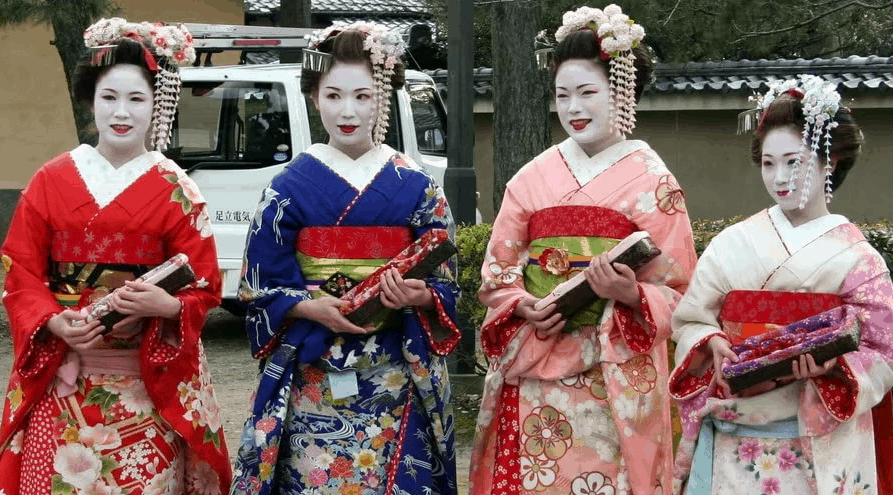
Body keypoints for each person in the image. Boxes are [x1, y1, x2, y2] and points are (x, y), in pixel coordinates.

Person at [469, 5, 697, 495]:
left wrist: (632, 294)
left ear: (621, 89)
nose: (574, 107)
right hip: (538, 363)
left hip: (614, 374)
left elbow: (680, 289)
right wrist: (523, 304)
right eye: (562, 95)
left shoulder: (654, 182)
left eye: (588, 92)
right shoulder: (532, 178)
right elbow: (499, 271)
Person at [0, 18, 231, 494]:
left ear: (157, 105)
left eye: (136, 99)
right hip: (64, 376)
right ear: (91, 101)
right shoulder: (51, 179)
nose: (121, 112)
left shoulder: (178, 190)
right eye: (109, 98)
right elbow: (19, 267)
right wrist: (51, 319)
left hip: (145, 387)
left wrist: (164, 306)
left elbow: (204, 288)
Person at [230, 21, 462, 495]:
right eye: (333, 96)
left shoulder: (417, 185)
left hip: (395, 372)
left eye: (362, 96)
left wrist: (419, 292)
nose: (348, 111)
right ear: (314, 98)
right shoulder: (288, 186)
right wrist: (306, 306)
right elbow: (258, 285)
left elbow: (446, 283)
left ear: (383, 96)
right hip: (313, 376)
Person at [669, 75, 893, 495]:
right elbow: (688, 320)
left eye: (795, 161)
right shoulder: (731, 244)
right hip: (737, 434)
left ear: (831, 161)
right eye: (769, 163)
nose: (780, 177)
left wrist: (836, 366)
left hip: (821, 441)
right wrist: (711, 341)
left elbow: (884, 349)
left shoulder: (860, 259)